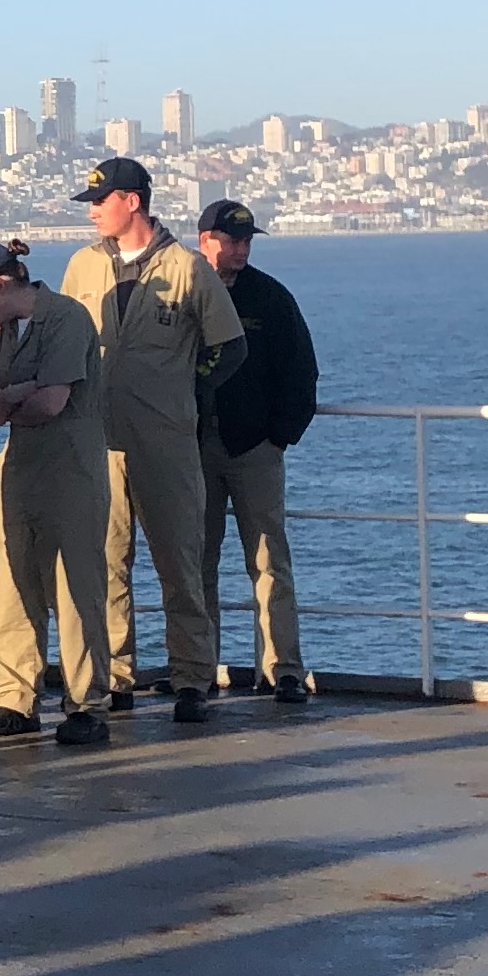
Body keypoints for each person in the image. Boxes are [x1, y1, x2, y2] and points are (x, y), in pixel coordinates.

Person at [59, 156, 238, 725]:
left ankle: (191, 677)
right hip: (98, 440)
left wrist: (191, 385)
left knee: (179, 561)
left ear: (131, 201)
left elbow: (229, 346)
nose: (91, 212)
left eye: (99, 200)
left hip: (165, 439)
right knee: (106, 561)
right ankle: (116, 676)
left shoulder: (187, 268)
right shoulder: (81, 267)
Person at [0, 242, 112, 746]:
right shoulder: (2, 333)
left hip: (71, 468)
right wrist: (15, 394)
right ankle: (15, 695)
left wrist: (10, 398)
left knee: (77, 585)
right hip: (21, 470)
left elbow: (51, 403)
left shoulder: (67, 318)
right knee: (13, 581)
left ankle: (86, 700)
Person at [197, 199, 320, 706]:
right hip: (193, 447)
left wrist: (280, 436)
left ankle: (284, 670)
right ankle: (196, 672)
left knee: (270, 561)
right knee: (193, 564)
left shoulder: (271, 298)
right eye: (231, 239)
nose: (241, 249)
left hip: (255, 451)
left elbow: (301, 371)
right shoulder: (185, 292)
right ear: (205, 239)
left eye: (246, 240)